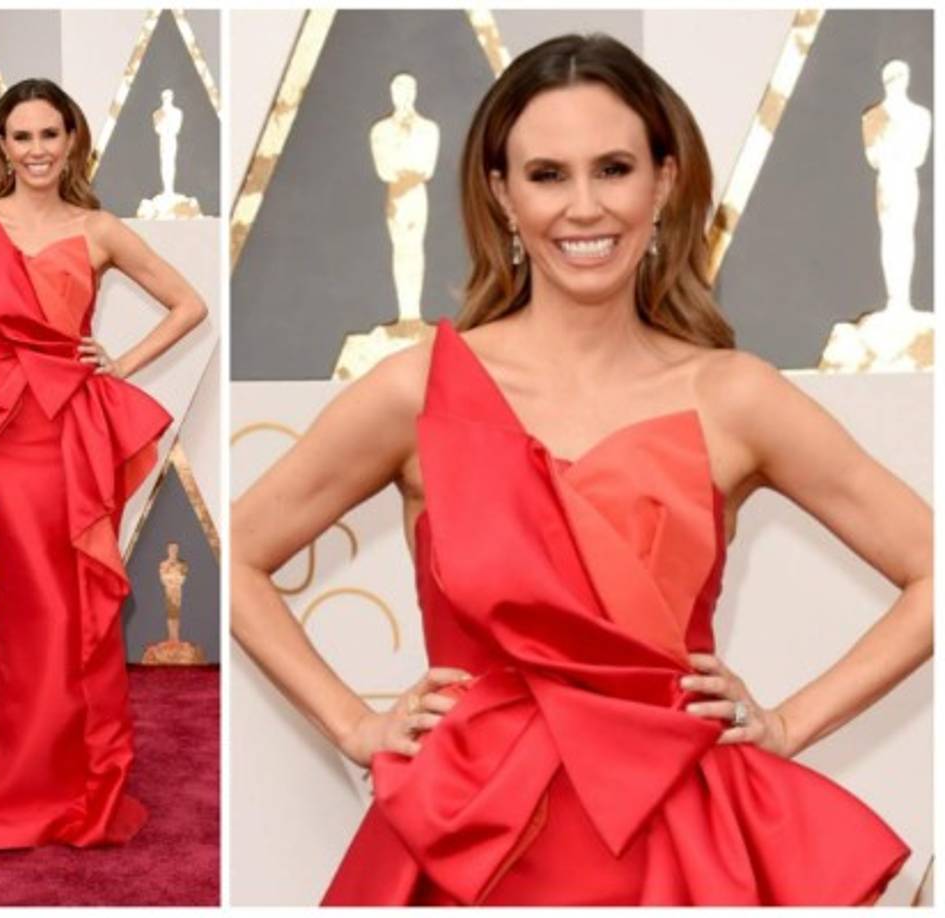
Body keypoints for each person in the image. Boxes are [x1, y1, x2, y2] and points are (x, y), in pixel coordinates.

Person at [230, 34, 931, 905]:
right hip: (471, 839)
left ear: (663, 183)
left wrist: (786, 723)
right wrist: (354, 724)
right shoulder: (419, 390)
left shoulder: (732, 397)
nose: (584, 207)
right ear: (501, 194)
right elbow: (239, 557)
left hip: (673, 843)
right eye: (547, 175)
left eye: (613, 168)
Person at [0, 78, 207, 849]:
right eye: (21, 137)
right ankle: (20, 791)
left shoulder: (98, 230)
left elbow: (189, 303)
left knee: (79, 613)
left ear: (72, 142)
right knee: (37, 612)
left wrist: (119, 362)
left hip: (76, 437)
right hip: (8, 435)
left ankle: (85, 786)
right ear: (0, 145)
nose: (36, 151)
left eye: (49, 136)